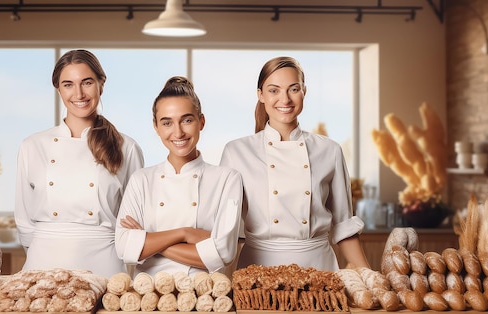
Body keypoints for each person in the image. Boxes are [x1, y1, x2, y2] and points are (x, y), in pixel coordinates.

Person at [219, 56, 369, 272]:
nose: (285, 99)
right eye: (273, 90)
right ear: (260, 95)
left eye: (293, 89)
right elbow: (227, 231)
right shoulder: (236, 152)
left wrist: (368, 275)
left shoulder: (330, 150)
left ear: (304, 92)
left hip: (319, 269)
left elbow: (344, 225)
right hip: (257, 271)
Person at [15, 49, 144, 277]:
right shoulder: (32, 146)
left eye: (87, 83)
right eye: (68, 84)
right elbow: (24, 222)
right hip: (42, 262)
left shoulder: (127, 147)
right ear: (58, 89)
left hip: (105, 263)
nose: (79, 93)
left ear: (101, 84)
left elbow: (136, 221)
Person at [115, 76, 243, 277]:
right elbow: (123, 248)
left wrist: (146, 241)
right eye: (167, 123)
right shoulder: (141, 180)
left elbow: (224, 252)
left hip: (204, 295)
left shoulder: (227, 179)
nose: (178, 132)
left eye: (187, 120)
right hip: (148, 296)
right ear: (156, 127)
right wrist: (185, 233)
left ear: (201, 122)